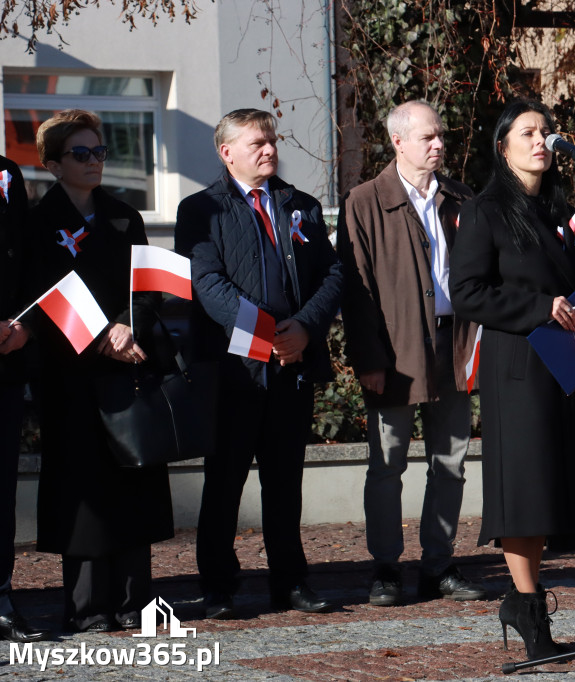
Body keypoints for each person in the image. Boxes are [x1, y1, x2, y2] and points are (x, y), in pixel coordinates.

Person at [175, 108, 343, 618]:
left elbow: (332, 277)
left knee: (284, 481)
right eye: (257, 144)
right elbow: (206, 284)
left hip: (292, 367)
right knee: (224, 481)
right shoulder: (201, 209)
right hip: (234, 372)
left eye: (271, 140)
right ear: (227, 153)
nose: (269, 150)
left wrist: (305, 329)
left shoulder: (302, 206)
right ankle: (219, 587)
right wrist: (265, 335)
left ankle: (290, 581)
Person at [450, 99, 575, 658]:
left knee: (555, 485)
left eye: (546, 131)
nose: (541, 141)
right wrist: (539, 307)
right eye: (528, 132)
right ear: (503, 145)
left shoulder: (561, 210)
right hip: (518, 368)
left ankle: (524, 602)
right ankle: (528, 606)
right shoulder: (486, 210)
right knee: (526, 488)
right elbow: (466, 291)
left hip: (565, 365)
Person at [23, 110, 173, 632]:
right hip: (72, 378)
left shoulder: (123, 216)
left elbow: (147, 285)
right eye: (81, 154)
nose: (94, 162)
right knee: (82, 491)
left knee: (133, 486)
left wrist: (126, 326)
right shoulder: (39, 223)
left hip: (125, 369)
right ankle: (88, 608)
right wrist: (97, 338)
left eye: (100, 152)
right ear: (54, 164)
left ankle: (136, 605)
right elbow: (40, 300)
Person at [338, 101, 484, 607]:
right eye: (427, 137)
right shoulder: (364, 202)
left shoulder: (461, 197)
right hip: (395, 350)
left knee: (452, 462)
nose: (438, 144)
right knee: (387, 463)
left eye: (441, 135)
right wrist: (369, 360)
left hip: (455, 343)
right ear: (398, 142)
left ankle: (439, 564)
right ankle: (385, 567)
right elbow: (354, 293)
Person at [0, 155, 50, 643]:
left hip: (5, 358)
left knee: (1, 489)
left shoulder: (7, 174)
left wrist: (27, 325)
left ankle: (1, 596)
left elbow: (28, 263)